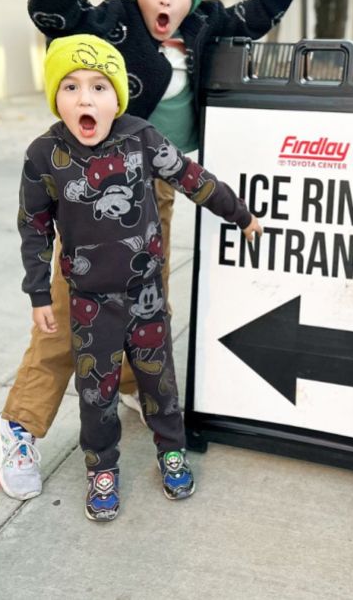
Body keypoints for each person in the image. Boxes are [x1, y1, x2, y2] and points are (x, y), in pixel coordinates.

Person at [0, 0, 305, 501]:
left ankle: (133, 382)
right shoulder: (111, 20)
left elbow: (253, 16)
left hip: (158, 180)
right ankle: (20, 424)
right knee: (70, 311)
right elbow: (49, 11)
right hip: (94, 184)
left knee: (146, 298)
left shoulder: (202, 27)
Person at [18, 34, 260, 520]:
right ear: (55, 96)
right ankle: (101, 469)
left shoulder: (141, 138)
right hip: (89, 303)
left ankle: (172, 450)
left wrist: (240, 213)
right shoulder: (45, 155)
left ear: (118, 97)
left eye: (98, 87)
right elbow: (34, 225)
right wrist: (39, 292)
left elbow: (192, 178)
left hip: (145, 294)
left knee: (159, 384)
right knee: (96, 395)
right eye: (70, 86)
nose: (85, 98)